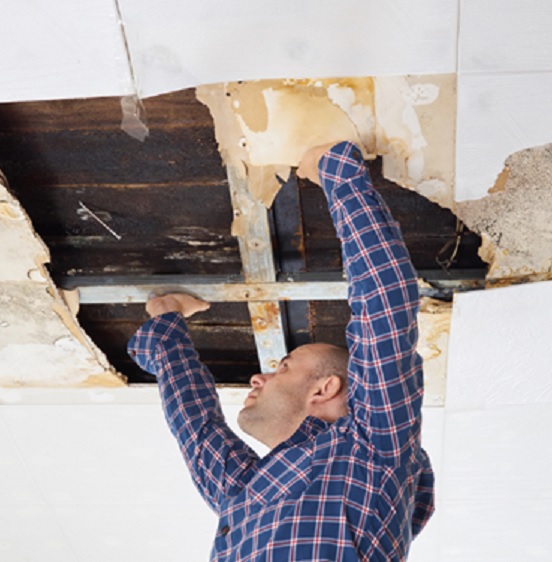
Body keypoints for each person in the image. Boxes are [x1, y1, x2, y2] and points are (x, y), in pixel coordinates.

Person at [128, 141, 434, 561]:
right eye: (284, 367)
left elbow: (197, 430)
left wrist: (165, 325)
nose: (259, 377)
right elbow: (385, 304)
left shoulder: (243, 496)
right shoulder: (374, 449)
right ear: (326, 389)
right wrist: (337, 172)